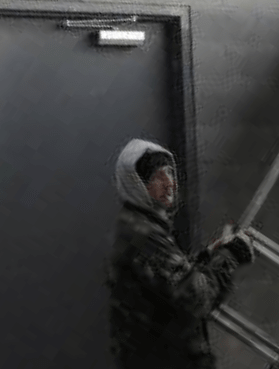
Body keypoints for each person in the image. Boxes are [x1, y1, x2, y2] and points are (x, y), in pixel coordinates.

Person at [107, 139, 256, 369]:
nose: (170, 184)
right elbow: (195, 298)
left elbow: (172, 285)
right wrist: (230, 256)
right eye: (158, 177)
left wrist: (210, 256)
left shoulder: (140, 225)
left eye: (170, 172)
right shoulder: (143, 235)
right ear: (137, 184)